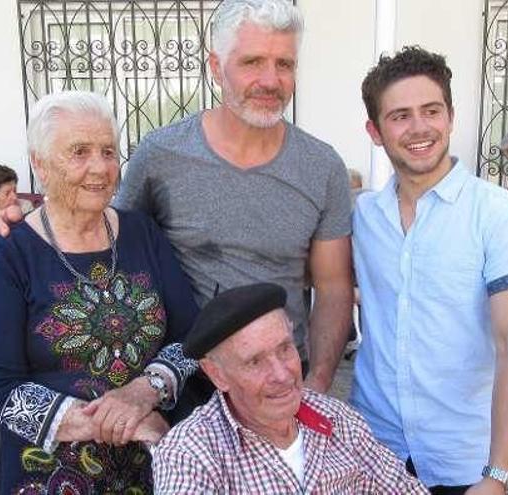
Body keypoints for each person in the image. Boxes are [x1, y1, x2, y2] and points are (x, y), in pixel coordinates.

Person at [114, 0, 353, 393]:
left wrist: (317, 382)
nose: (271, 80)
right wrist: (20, 230)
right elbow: (108, 243)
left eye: (284, 64)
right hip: (185, 378)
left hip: (282, 377)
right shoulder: (160, 156)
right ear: (215, 67)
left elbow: (333, 287)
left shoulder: (322, 166)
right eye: (252, 62)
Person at [0, 91, 201, 494]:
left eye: (109, 152)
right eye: (79, 152)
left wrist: (144, 391)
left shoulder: (141, 234)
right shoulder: (10, 254)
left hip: (150, 470)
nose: (100, 167)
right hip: (48, 474)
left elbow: (189, 337)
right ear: (39, 164)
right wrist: (117, 421)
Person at [352, 47, 508, 494]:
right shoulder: (363, 217)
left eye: (431, 110)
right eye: (400, 115)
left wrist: (498, 476)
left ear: (451, 116)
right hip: (374, 451)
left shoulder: (503, 216)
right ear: (375, 131)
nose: (419, 127)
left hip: (464, 460)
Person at [152, 283, 428, 494]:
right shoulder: (188, 454)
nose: (282, 375)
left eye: (285, 349)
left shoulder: (336, 419)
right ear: (217, 374)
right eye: (255, 361)